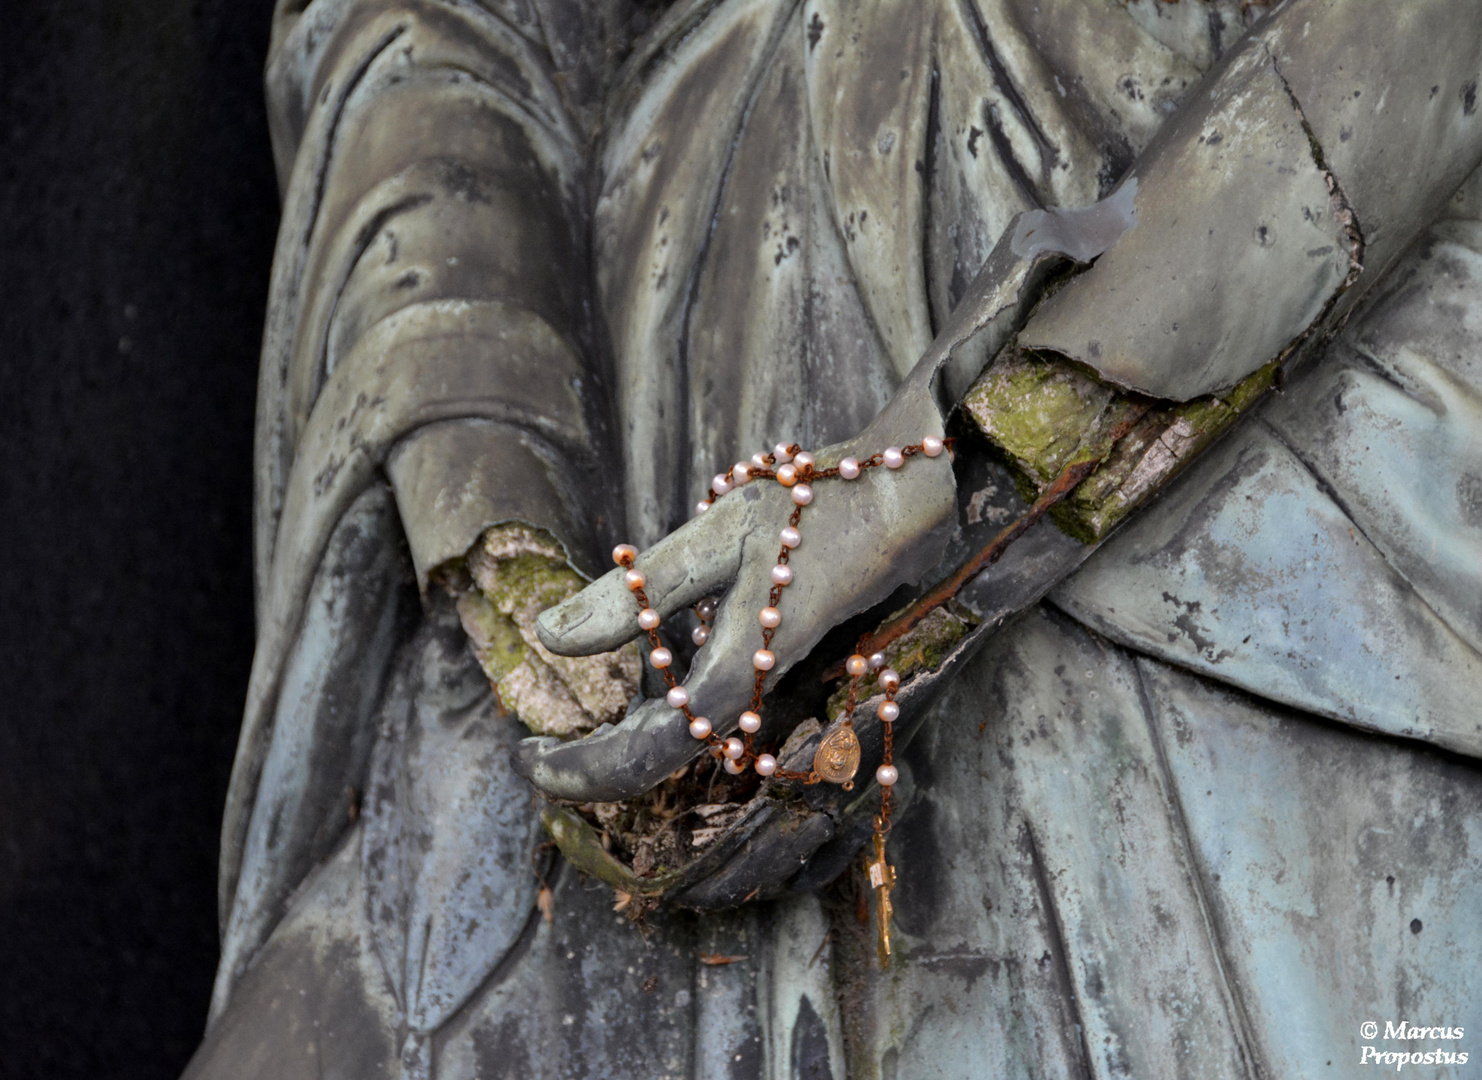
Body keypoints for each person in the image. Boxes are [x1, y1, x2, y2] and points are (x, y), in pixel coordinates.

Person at [187, 0, 1482, 1076]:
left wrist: (959, 486)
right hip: (670, 439)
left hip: (1247, 441)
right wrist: (497, 521)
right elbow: (431, 33)